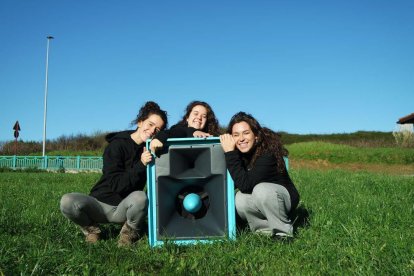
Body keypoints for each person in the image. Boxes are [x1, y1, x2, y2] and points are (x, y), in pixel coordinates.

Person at [60, 101, 168, 246]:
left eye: (158, 130)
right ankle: (92, 230)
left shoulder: (151, 150)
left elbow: (173, 133)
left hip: (125, 208)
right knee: (67, 201)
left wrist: (162, 138)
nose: (152, 131)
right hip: (99, 204)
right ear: (140, 122)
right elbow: (117, 185)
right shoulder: (117, 145)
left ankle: (127, 235)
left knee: (141, 197)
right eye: (150, 124)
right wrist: (141, 164)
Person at [219, 112, 300, 239]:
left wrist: (230, 153)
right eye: (236, 135)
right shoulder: (239, 156)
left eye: (246, 133)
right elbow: (237, 183)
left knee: (261, 189)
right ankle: (264, 232)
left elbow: (245, 185)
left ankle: (283, 233)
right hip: (261, 198)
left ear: (256, 136)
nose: (241, 138)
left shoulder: (267, 153)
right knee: (239, 198)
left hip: (283, 198)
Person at [149, 100, 220, 153]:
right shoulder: (178, 130)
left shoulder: (212, 138)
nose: (199, 117)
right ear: (187, 117)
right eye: (196, 114)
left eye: (204, 116)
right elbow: (172, 132)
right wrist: (158, 138)